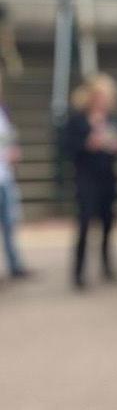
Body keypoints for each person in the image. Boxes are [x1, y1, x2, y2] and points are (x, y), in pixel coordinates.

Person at [65, 74, 117, 290]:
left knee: (108, 222)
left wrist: (116, 145)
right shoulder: (78, 119)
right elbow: (68, 147)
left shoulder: (111, 120)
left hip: (107, 175)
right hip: (86, 177)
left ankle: (107, 265)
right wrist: (88, 143)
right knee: (84, 224)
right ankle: (78, 272)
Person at [0, 73, 28, 280]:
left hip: (5, 176)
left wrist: (14, 151)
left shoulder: (4, 111)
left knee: (10, 223)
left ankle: (15, 265)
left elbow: (8, 139)